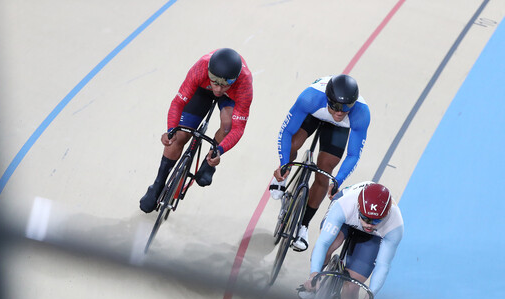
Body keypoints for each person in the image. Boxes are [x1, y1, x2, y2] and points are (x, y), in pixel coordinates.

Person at [299, 181, 403, 299]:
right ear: (358, 208)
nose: (369, 224)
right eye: (365, 218)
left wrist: (371, 293)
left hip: (372, 239)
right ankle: (313, 285)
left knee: (352, 289)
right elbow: (322, 243)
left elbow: (383, 265)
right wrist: (314, 274)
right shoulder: (345, 204)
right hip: (346, 220)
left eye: (376, 220)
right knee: (330, 244)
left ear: (386, 215)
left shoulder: (395, 225)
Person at [139, 48, 253, 213]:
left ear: (234, 79)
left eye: (224, 84)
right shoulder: (200, 68)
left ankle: (209, 161)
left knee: (228, 124)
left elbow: (238, 128)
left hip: (231, 96)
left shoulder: (244, 82)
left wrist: (219, 150)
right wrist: (171, 130)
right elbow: (178, 102)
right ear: (209, 73)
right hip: (202, 89)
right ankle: (158, 184)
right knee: (179, 136)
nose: (219, 90)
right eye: (216, 82)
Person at [269, 74, 370, 250]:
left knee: (325, 172)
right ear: (328, 99)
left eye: (346, 108)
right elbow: (285, 132)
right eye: (336, 107)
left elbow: (353, 154)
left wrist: (338, 180)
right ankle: (283, 174)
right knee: (294, 143)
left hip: (339, 129)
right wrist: (284, 162)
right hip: (314, 113)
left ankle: (304, 226)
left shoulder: (361, 113)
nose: (339, 112)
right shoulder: (310, 98)